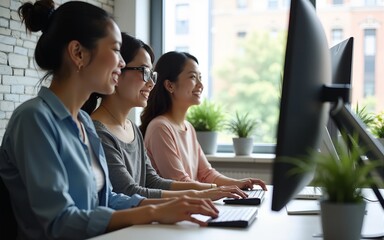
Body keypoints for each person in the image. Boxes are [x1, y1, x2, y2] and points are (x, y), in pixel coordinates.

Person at [0, 1, 220, 239]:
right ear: (78, 53)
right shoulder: (33, 119)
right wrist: (154, 211)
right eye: (115, 50)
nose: (122, 63)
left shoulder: (83, 122)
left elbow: (106, 200)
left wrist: (173, 205)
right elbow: (59, 221)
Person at [82, 33, 246, 201]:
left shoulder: (132, 128)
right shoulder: (98, 131)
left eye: (152, 74)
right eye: (144, 72)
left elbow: (152, 181)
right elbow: (129, 191)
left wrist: (213, 189)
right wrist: (200, 194)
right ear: (116, 71)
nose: (151, 83)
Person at [140, 51, 268, 191]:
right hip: (174, 209)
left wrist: (238, 183)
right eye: (193, 77)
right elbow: (180, 183)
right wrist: (220, 190)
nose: (200, 85)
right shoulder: (160, 127)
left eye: (200, 77)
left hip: (193, 204)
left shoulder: (188, 127)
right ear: (170, 85)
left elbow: (207, 174)